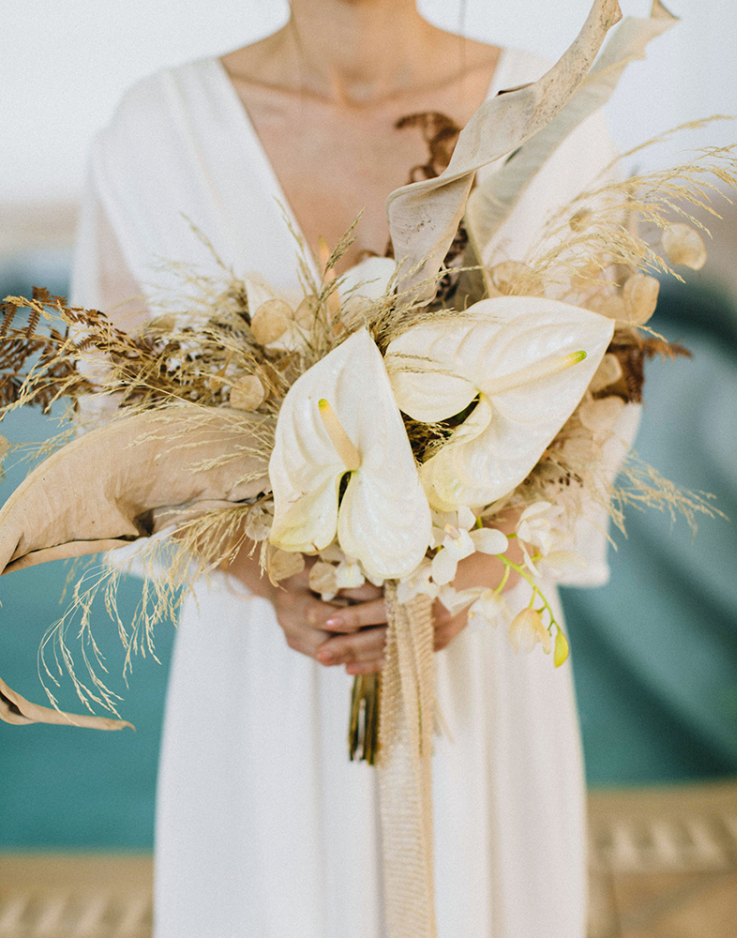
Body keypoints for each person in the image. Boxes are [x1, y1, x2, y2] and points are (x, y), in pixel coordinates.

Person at [70, 2, 621, 935]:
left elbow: (601, 392)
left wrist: (470, 571)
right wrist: (270, 578)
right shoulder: (157, 132)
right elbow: (122, 422)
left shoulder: (548, 107)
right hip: (267, 662)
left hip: (478, 647)